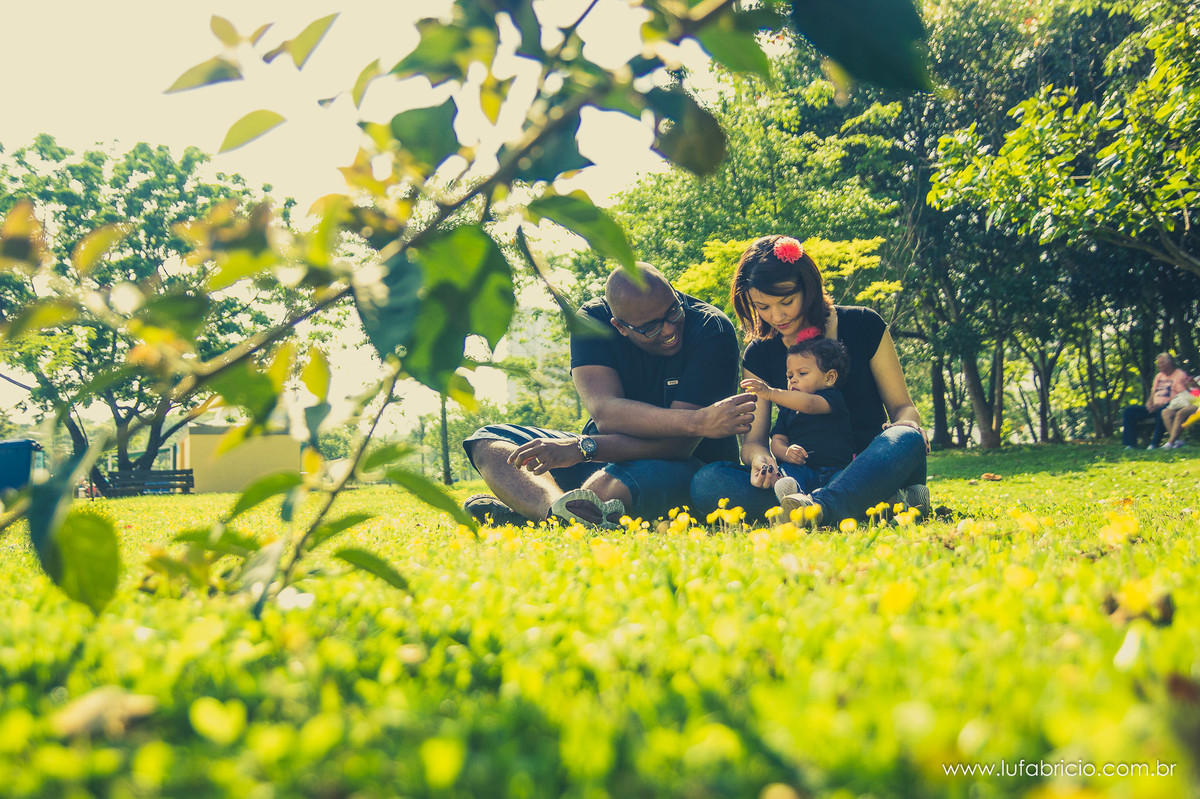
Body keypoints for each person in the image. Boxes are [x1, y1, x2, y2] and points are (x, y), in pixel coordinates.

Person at [462, 262, 757, 528]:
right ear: (620, 327)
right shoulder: (591, 323)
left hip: (677, 466)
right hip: (596, 454)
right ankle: (554, 511)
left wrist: (582, 448)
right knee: (487, 442)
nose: (670, 329)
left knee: (610, 484)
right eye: (651, 327)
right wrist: (696, 420)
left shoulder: (711, 329)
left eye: (673, 311)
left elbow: (678, 445)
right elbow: (606, 413)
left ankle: (542, 517)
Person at [690, 234, 930, 526]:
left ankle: (819, 509)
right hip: (798, 477)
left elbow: (903, 407)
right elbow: (754, 442)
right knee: (707, 482)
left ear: (808, 287)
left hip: (866, 465)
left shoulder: (864, 324)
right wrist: (760, 460)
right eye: (762, 307)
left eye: (786, 302)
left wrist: (908, 423)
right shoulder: (759, 354)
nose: (776, 316)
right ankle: (860, 504)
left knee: (905, 438)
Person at [739, 337, 854, 506]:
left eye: (802, 374)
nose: (793, 380)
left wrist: (770, 393)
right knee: (788, 473)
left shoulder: (831, 398)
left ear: (829, 378)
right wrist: (786, 452)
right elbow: (777, 440)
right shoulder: (787, 410)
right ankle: (795, 499)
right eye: (789, 375)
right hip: (802, 468)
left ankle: (823, 501)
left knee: (847, 480)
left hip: (836, 469)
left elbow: (809, 404)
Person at [1121, 352, 1194, 449]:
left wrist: (1162, 404)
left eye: (1160, 363)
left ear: (1169, 364)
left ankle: (1154, 443)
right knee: (1129, 411)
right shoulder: (1159, 376)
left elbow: (1182, 395)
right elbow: (1153, 392)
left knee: (1162, 412)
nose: (1158, 365)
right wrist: (1149, 403)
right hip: (1154, 406)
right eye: (1158, 363)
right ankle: (1130, 444)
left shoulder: (1179, 375)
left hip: (1170, 406)